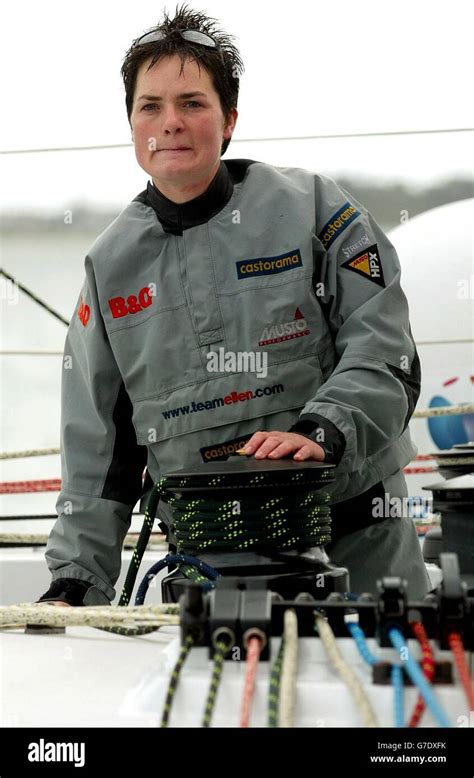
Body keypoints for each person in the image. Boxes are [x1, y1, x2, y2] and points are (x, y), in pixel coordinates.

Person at [37, 4, 430, 608]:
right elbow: (98, 449)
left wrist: (325, 430)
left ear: (229, 121)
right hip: (206, 563)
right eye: (152, 106)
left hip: (358, 537)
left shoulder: (320, 210)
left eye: (192, 103)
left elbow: (387, 351)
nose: (171, 123)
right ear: (132, 126)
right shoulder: (108, 266)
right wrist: (75, 580)